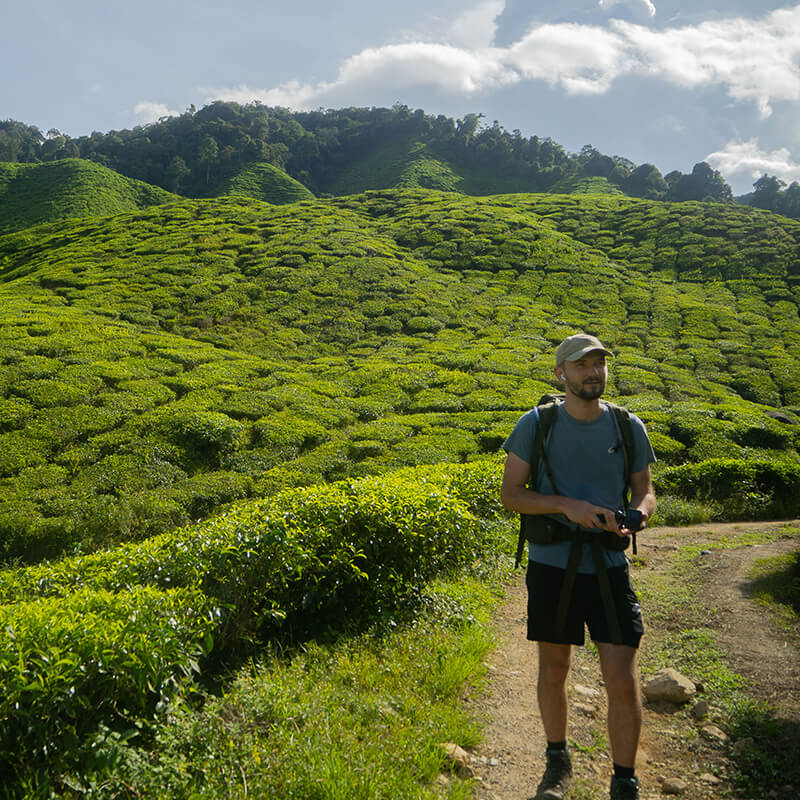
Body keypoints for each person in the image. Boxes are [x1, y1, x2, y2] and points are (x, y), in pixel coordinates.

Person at [500, 333, 656, 800]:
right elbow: (511, 495)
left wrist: (640, 513)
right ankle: (557, 762)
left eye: (599, 364)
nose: (593, 372)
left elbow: (645, 490)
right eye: (582, 364)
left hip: (609, 565)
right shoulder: (536, 424)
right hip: (552, 565)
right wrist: (569, 506)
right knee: (554, 669)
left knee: (623, 678)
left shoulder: (628, 426)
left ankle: (624, 782)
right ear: (560, 373)